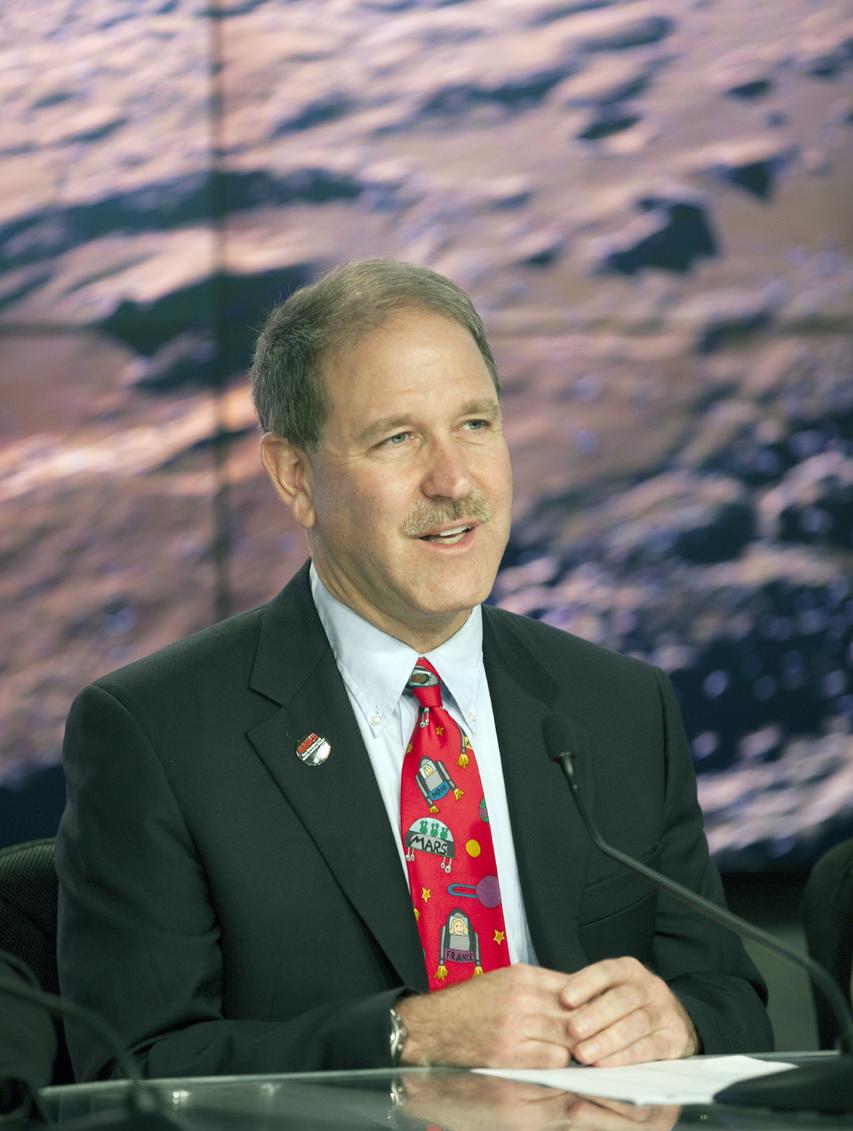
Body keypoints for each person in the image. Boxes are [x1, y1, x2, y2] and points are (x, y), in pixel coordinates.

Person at [56, 259, 772, 1082]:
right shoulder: (158, 733)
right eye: (397, 439)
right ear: (296, 478)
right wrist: (405, 1038)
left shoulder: (618, 706)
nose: (454, 480)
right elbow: (130, 1069)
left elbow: (732, 999)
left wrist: (676, 1021)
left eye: (475, 425)